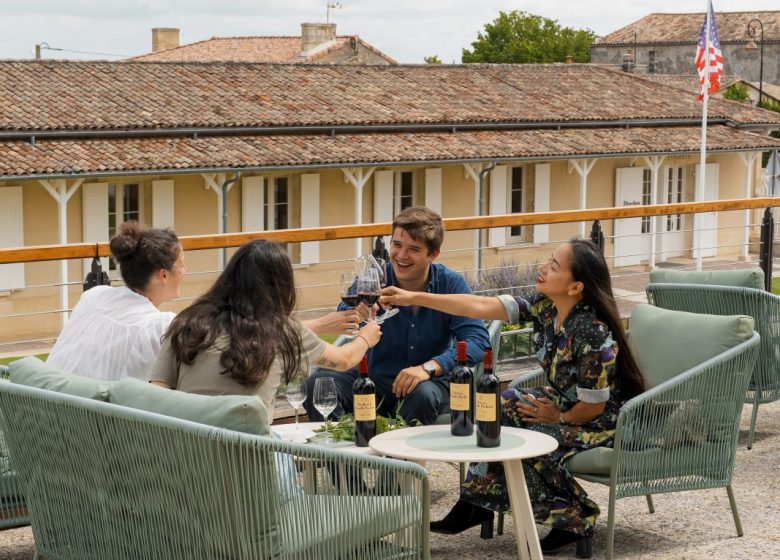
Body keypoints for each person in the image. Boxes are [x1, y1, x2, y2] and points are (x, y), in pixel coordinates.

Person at [380, 239, 646, 556]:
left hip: (599, 420)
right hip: (563, 403)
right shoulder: (545, 306)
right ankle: (476, 501)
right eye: (548, 260)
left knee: (531, 440)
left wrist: (558, 418)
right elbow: (477, 306)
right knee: (498, 403)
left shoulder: (592, 332)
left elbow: (594, 405)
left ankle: (576, 518)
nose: (543, 268)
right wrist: (413, 297)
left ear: (575, 286)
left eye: (554, 266)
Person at [304, 206, 491, 426]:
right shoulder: (374, 281)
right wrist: (356, 315)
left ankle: (399, 461)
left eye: (413, 249)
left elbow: (478, 342)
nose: (401, 256)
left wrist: (428, 368)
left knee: (422, 395)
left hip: (427, 383)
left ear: (433, 253)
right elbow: (342, 316)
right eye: (396, 244)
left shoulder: (450, 283)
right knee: (317, 383)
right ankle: (344, 459)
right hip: (375, 380)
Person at [150, 239, 381, 418]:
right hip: (251, 468)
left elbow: (156, 394)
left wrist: (319, 325)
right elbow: (343, 360)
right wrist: (366, 337)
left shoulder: (187, 323)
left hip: (185, 462)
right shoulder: (280, 331)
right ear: (281, 285)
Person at [47, 221, 185, 381]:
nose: (184, 270)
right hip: (95, 406)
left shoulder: (93, 297)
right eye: (181, 264)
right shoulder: (159, 326)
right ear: (163, 275)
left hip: (44, 399)